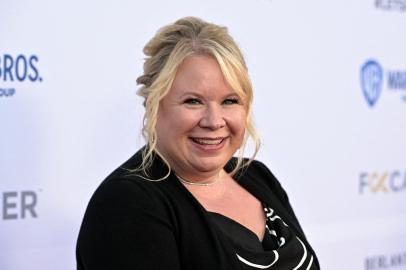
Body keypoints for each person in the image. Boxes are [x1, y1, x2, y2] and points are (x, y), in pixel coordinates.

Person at [76, 17, 320, 270]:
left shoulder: (258, 178)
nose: (214, 121)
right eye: (193, 101)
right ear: (154, 105)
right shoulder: (127, 203)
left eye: (230, 101)